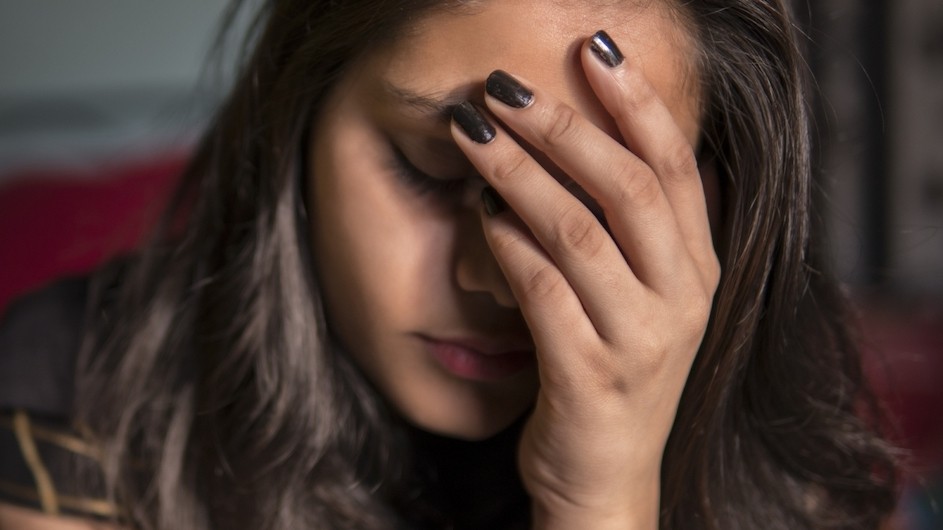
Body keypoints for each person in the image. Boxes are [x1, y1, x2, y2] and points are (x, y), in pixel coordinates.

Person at [0, 0, 899, 528]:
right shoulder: (80, 382)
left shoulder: (796, 447)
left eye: (588, 203)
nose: (497, 279)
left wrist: (602, 497)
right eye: (432, 173)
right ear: (297, 116)